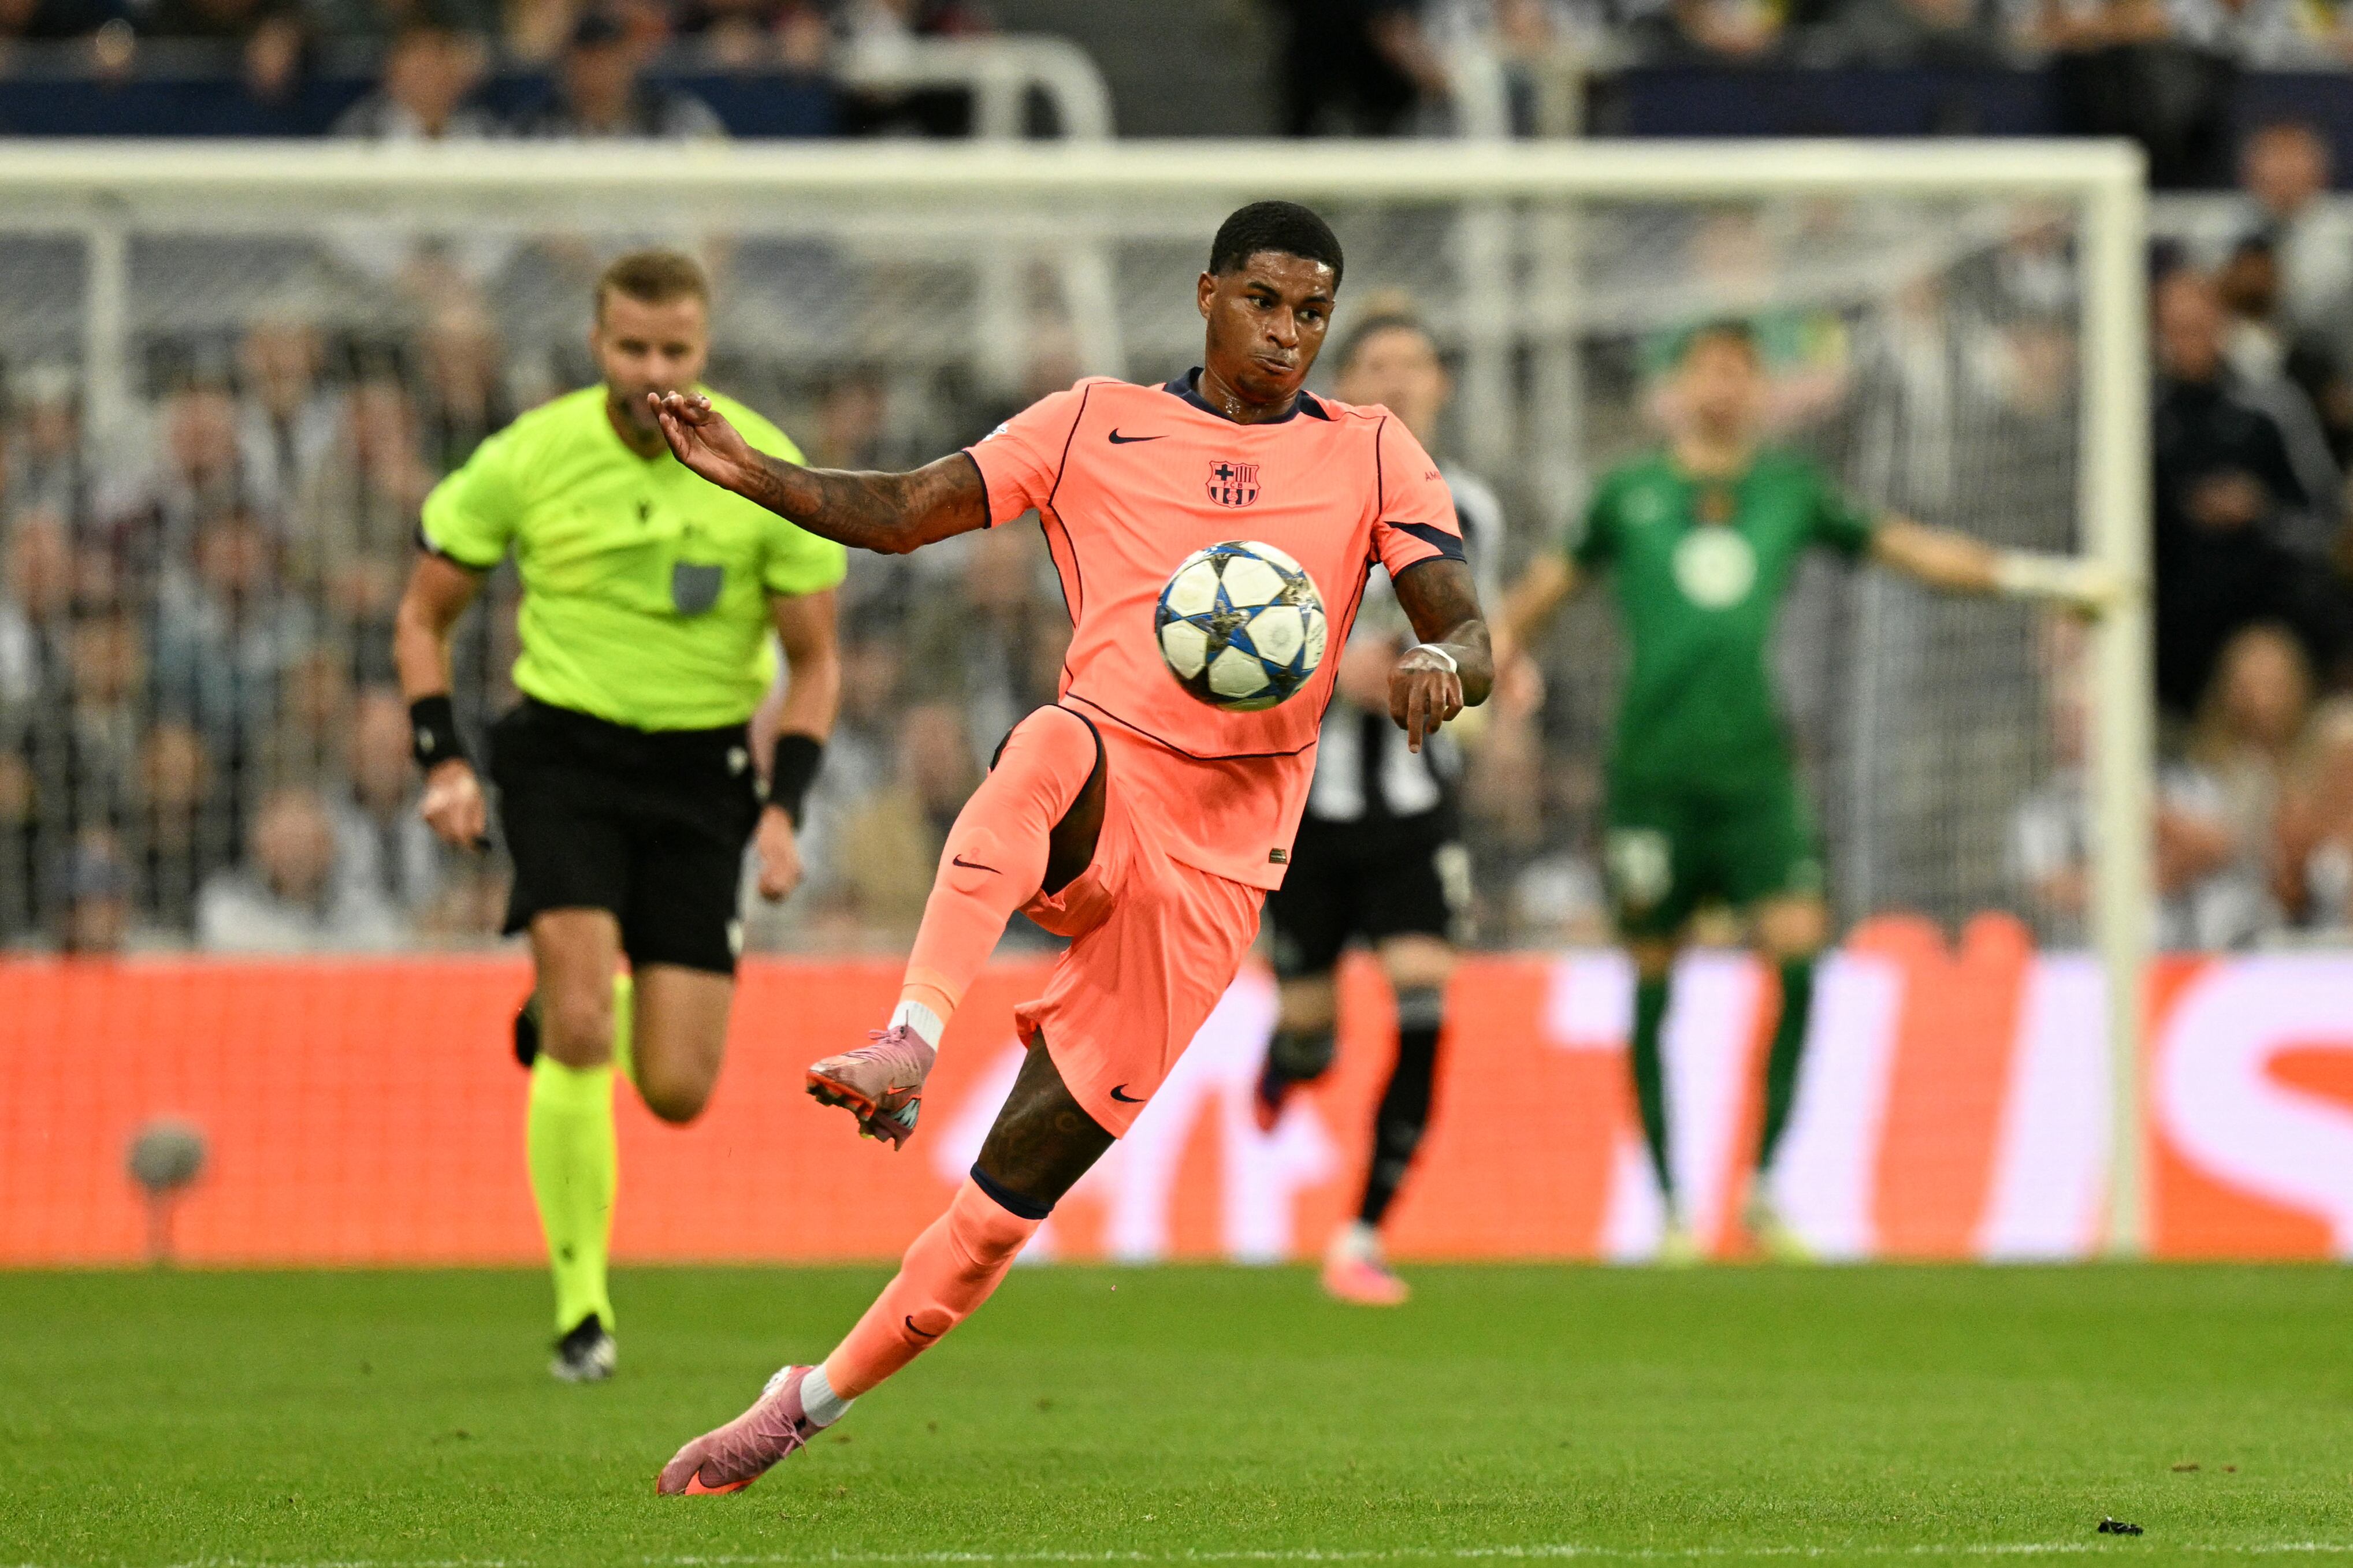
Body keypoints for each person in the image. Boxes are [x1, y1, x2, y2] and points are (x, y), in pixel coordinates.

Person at [645, 200, 1493, 1495]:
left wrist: (1442, 663)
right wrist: (754, 471)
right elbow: (905, 511)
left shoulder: (1375, 450)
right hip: (1110, 781)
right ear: (1206, 295)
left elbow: (1466, 627)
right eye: (1263, 302)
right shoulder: (1094, 420)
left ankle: (799, 1407)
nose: (1287, 334)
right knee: (1051, 737)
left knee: (999, 1217)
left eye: (1312, 312)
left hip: (1220, 872)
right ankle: (911, 1038)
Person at [1496, 319, 2109, 1264]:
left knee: (1797, 954)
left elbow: (1911, 550)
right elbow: (1535, 600)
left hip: (1756, 771)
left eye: (1739, 373)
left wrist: (2035, 578)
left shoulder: (1790, 490)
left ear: (1761, 391)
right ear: (1677, 387)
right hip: (1652, 775)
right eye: (1707, 370)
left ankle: (1760, 1187)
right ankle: (1669, 1207)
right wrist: (1466, 668)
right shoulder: (1627, 495)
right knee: (1652, 977)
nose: (1722, 388)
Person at [391, 249, 846, 1381]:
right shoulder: (529, 456)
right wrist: (443, 759)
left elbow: (815, 661)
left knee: (679, 1089)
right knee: (585, 1031)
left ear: (704, 348)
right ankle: (581, 1310)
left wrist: (783, 810)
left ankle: (574, 990)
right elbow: (423, 616)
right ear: (597, 344)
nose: (652, 371)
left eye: (673, 350)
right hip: (566, 760)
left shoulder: (760, 464)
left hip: (702, 775)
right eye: (632, 348)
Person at [1247, 307, 1500, 1307]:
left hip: (1413, 803)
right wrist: (1326, 672)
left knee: (1423, 994)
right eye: (1377, 364)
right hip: (1305, 805)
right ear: (1342, 385)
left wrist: (1481, 675)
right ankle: (1287, 1057)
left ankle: (1361, 1234)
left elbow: (1474, 629)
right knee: (1312, 1031)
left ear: (1440, 385)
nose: (1397, 380)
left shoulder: (1470, 508)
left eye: (1414, 364)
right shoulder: (1290, 490)